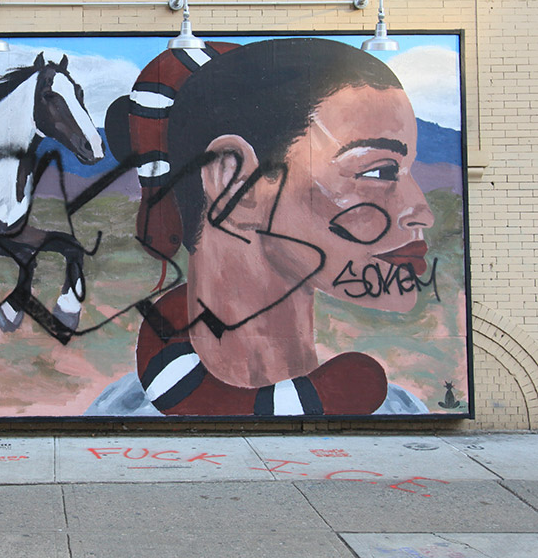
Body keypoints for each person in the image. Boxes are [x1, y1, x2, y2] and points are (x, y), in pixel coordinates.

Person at [92, 37, 434, 417]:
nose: (422, 212)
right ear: (234, 180)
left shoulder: (404, 409)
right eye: (379, 171)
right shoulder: (117, 413)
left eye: (409, 170)